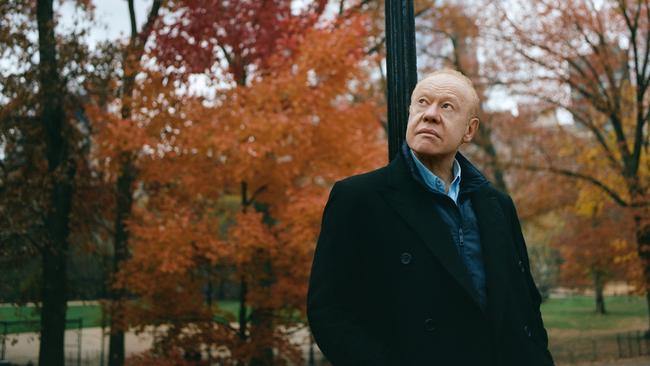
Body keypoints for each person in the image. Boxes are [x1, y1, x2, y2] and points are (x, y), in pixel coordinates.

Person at [306, 69, 555, 366]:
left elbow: (525, 305)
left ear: (469, 131)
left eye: (446, 106)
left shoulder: (497, 205)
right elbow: (329, 311)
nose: (431, 115)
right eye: (422, 103)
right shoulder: (358, 198)